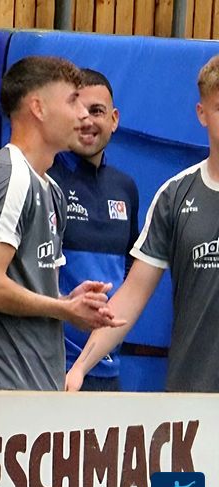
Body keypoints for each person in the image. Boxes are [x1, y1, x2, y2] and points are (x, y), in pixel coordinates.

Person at [0, 56, 122, 391]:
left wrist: (66, 299)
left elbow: (23, 286)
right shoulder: (9, 177)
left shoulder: (50, 188)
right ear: (38, 108)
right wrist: (63, 308)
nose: (82, 114)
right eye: (72, 101)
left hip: (37, 385)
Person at [67, 54, 219, 392]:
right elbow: (132, 294)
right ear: (202, 114)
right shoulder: (175, 196)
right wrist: (81, 366)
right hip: (193, 392)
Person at [47, 68, 139, 391]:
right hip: (50, 368)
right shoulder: (44, 178)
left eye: (96, 111)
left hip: (106, 368)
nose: (86, 120)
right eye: (78, 110)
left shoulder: (125, 188)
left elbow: (130, 271)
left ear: (114, 119)